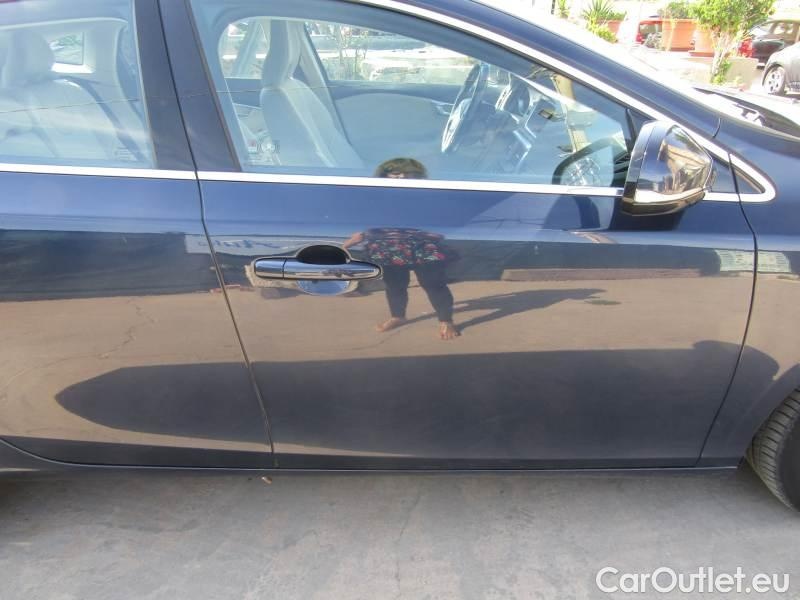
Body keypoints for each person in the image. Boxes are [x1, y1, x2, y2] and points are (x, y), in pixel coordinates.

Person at [343, 158, 460, 340]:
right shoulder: (376, 198)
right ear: (385, 176)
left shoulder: (428, 195)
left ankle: (446, 321)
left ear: (417, 176)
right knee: (394, 285)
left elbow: (444, 220)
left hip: (423, 247)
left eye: (406, 173)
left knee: (433, 284)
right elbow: (368, 223)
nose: (400, 177)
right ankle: (398, 316)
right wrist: (352, 241)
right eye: (395, 173)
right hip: (387, 248)